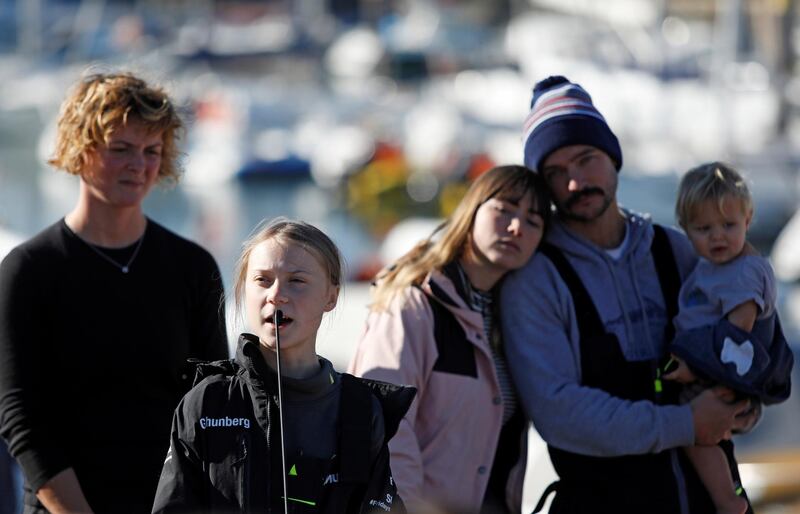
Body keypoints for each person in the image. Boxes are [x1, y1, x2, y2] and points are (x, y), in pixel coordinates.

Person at [502, 75, 758, 514]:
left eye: (586, 160)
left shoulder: (674, 249)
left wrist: (746, 400)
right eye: (555, 173)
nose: (575, 183)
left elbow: (743, 340)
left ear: (613, 156)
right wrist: (686, 423)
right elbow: (560, 413)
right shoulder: (537, 279)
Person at [0, 72, 228, 514]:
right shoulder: (28, 271)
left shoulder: (192, 268)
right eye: (120, 149)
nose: (138, 165)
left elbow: (212, 405)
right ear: (80, 150)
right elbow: (22, 418)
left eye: (151, 152)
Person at [152, 218, 415, 513]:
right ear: (243, 289)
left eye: (297, 280)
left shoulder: (361, 409)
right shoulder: (208, 402)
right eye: (263, 280)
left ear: (331, 297)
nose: (276, 295)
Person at [349, 165, 550, 514]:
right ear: (471, 210)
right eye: (504, 210)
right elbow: (385, 424)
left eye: (533, 221)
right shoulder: (415, 304)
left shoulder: (515, 320)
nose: (517, 226)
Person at [664, 162, 793, 514]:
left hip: (720, 374)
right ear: (686, 231)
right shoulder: (714, 266)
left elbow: (737, 338)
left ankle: (726, 500)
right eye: (704, 228)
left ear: (748, 221)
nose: (717, 236)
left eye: (728, 225)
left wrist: (693, 367)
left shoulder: (744, 274)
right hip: (709, 367)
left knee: (696, 436)